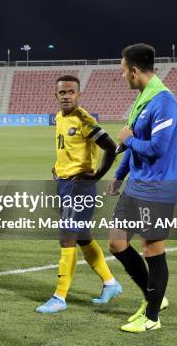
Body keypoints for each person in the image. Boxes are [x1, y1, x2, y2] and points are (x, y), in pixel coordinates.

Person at [108, 44, 177, 333]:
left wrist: (128, 138)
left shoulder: (164, 102)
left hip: (157, 191)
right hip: (136, 187)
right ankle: (154, 297)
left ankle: (152, 317)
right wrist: (120, 174)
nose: (122, 75)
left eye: (123, 70)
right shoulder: (142, 99)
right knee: (116, 242)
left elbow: (157, 149)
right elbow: (132, 146)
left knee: (152, 249)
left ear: (135, 71)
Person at [36, 74, 121, 313]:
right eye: (62, 92)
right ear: (56, 95)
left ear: (78, 95)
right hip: (65, 185)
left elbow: (111, 148)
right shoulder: (59, 117)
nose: (66, 96)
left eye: (71, 92)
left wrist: (96, 176)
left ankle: (59, 297)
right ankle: (110, 283)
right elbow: (66, 148)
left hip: (80, 188)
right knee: (83, 237)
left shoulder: (85, 120)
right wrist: (58, 166)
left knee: (67, 238)